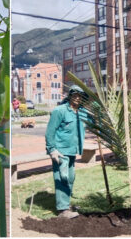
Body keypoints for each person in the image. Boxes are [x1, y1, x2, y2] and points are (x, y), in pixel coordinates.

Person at [44, 85, 92, 219]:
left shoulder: (82, 112)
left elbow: (93, 123)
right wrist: (52, 150)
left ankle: (66, 203)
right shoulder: (59, 111)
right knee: (62, 178)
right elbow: (50, 132)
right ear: (70, 96)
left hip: (72, 151)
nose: (77, 98)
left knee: (70, 178)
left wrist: (98, 112)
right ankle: (63, 210)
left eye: (80, 96)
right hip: (60, 151)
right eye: (75, 95)